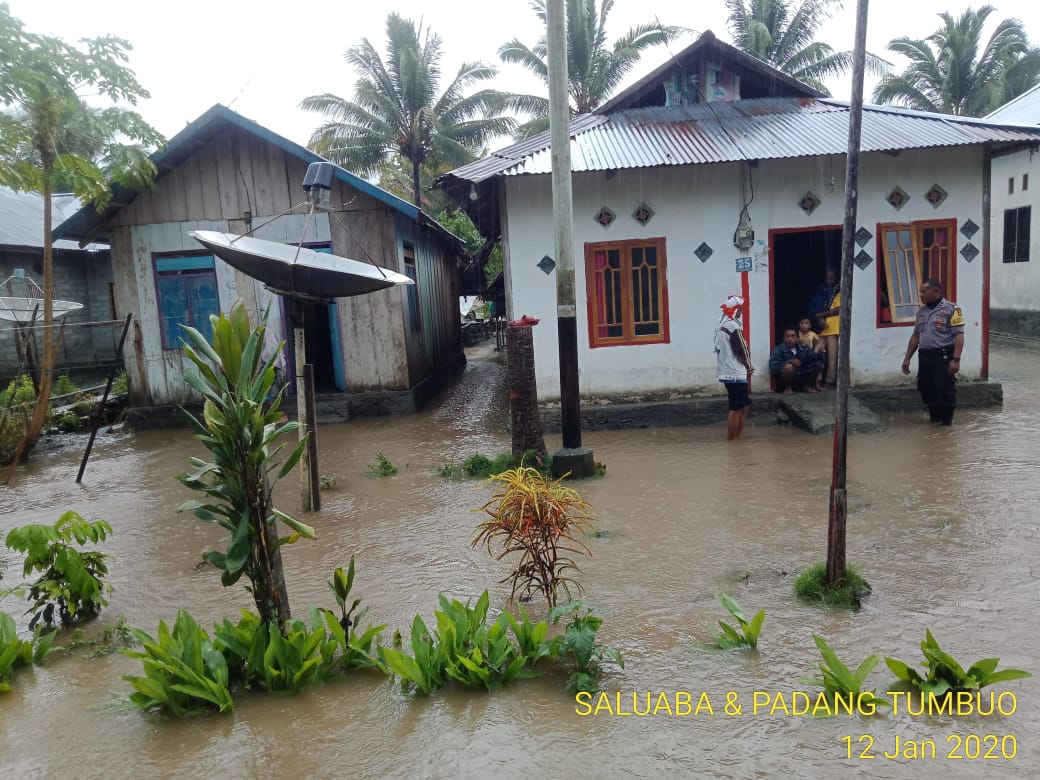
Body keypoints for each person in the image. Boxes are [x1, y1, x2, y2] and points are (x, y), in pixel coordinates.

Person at [901, 277, 965, 425]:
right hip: (924, 357)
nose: (921, 295)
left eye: (924, 292)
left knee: (945, 391)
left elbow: (959, 336)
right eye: (920, 292)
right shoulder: (921, 312)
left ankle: (946, 426)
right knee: (925, 388)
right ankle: (934, 421)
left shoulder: (952, 309)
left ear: (935, 291)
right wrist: (907, 358)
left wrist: (956, 359)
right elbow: (916, 336)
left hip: (943, 356)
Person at [715, 294, 754, 440]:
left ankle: (736, 439)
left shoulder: (721, 323)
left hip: (728, 371)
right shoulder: (733, 326)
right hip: (735, 372)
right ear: (736, 309)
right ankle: (732, 441)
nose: (742, 311)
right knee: (737, 408)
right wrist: (749, 367)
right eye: (741, 309)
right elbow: (743, 349)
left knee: (744, 405)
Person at [810, 269, 841, 388]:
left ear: (836, 279)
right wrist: (818, 318)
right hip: (821, 330)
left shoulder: (839, 291)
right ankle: (817, 381)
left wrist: (821, 315)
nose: (829, 281)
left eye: (832, 278)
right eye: (827, 278)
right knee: (816, 353)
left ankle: (829, 381)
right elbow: (813, 310)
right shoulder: (819, 291)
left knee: (832, 357)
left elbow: (838, 310)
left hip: (834, 329)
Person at [768, 328, 822, 395]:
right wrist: (790, 361)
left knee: (819, 364)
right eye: (787, 336)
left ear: (798, 338)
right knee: (788, 367)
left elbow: (813, 359)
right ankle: (788, 387)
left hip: (800, 375)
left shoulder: (803, 347)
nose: (790, 339)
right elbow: (773, 367)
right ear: (783, 338)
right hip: (785, 379)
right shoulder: (778, 349)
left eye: (792, 336)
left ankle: (806, 385)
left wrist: (819, 353)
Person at [797, 317, 826, 390]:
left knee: (817, 368)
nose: (804, 325)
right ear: (799, 325)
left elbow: (817, 343)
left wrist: (818, 350)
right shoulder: (798, 334)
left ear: (810, 326)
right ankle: (808, 385)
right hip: (801, 355)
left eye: (806, 323)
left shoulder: (812, 334)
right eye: (802, 323)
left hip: (811, 354)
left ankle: (817, 385)